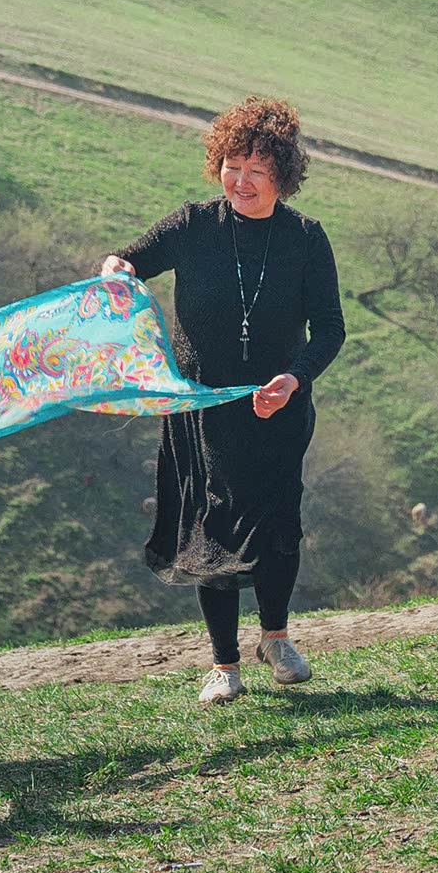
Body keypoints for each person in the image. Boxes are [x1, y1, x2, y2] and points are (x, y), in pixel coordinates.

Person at [102, 97, 345, 704]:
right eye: (233, 166)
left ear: (282, 179)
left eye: (257, 171)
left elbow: (331, 329)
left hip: (277, 408)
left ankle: (277, 637)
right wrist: (115, 268)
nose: (241, 181)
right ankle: (224, 664)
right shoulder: (190, 226)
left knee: (279, 525)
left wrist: (294, 379)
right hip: (202, 412)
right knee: (209, 528)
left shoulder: (306, 239)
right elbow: (128, 261)